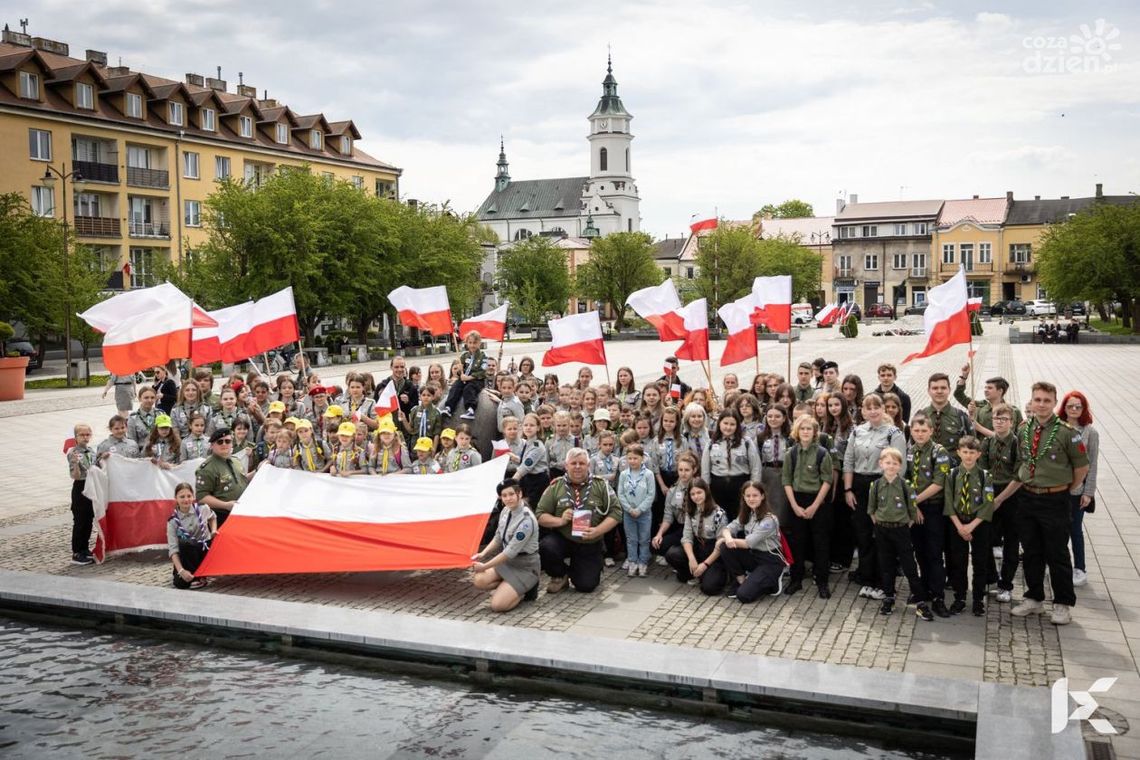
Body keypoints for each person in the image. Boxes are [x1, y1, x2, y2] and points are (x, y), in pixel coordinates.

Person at [1011, 381, 1089, 626]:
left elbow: (1082, 467)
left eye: (1047, 400)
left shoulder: (1067, 432)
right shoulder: (1024, 429)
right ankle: (1034, 598)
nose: (1041, 404)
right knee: (1032, 551)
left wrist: (1065, 487)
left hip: (1055, 499)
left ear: (1055, 403)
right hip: (1027, 497)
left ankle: (1063, 604)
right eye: (1037, 400)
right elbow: (1023, 461)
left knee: (1057, 553)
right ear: (1031, 402)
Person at [843, 394, 906, 600]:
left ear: (883, 409)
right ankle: (867, 578)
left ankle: (884, 583)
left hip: (883, 485)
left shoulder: (893, 433)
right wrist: (848, 489)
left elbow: (901, 466)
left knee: (881, 536)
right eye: (868, 408)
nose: (872, 411)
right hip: (860, 485)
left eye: (876, 407)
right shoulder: (857, 432)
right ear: (862, 411)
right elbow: (849, 461)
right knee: (863, 534)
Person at [535, 448, 622, 594]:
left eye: (581, 463)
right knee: (546, 546)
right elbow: (539, 515)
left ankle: (579, 570)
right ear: (566, 465)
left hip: (590, 542)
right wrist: (560, 521)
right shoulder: (556, 486)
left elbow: (617, 512)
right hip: (564, 538)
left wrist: (598, 531)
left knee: (586, 586)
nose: (577, 467)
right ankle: (560, 575)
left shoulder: (601, 485)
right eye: (573, 463)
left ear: (588, 465)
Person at [868, 448, 934, 621]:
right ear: (880, 464)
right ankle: (889, 598)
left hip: (901, 530)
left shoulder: (906, 485)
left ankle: (920, 602)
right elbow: (872, 510)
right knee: (886, 565)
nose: (891, 466)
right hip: (882, 529)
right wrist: (881, 523)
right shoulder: (875, 486)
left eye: (895, 463)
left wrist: (903, 525)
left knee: (910, 567)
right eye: (887, 463)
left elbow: (912, 512)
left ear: (900, 466)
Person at [782, 415, 834, 598]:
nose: (805, 432)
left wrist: (815, 506)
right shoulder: (791, 453)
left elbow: (827, 480)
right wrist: (794, 505)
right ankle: (796, 579)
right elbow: (786, 480)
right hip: (796, 500)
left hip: (817, 501)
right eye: (802, 429)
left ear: (814, 433)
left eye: (809, 429)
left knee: (820, 542)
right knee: (797, 541)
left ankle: (822, 581)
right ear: (797, 431)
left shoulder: (822, 453)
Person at [943, 436, 995, 616]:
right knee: (959, 562)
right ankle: (960, 597)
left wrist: (971, 527)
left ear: (978, 454)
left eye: (972, 452)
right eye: (965, 452)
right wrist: (960, 527)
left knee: (980, 562)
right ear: (958, 452)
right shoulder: (952, 475)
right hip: (957, 522)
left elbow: (988, 504)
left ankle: (979, 599)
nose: (968, 456)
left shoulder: (985, 476)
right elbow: (948, 502)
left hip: (978, 523)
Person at [906, 413, 951, 617]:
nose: (920, 434)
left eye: (924, 430)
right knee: (919, 552)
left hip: (933, 508)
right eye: (916, 430)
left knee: (934, 553)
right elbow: (907, 480)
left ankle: (938, 596)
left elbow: (938, 483)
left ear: (931, 431)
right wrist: (913, 507)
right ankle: (922, 590)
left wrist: (915, 501)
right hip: (917, 509)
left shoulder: (939, 452)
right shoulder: (910, 450)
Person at [471, 481, 540, 611]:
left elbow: (509, 552)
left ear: (519, 494)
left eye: (511, 494)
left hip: (525, 566)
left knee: (498, 606)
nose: (508, 499)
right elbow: (498, 537)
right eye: (504, 495)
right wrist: (483, 553)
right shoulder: (505, 511)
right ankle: (509, 587)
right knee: (479, 580)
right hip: (508, 563)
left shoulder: (526, 520)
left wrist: (485, 566)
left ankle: (525, 589)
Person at [720, 481, 787, 601]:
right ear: (743, 497)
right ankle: (742, 580)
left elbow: (747, 543)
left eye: (755, 495)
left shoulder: (769, 520)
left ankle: (773, 582)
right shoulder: (747, 514)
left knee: (744, 595)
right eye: (748, 495)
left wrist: (727, 540)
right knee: (725, 547)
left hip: (770, 561)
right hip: (754, 556)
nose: (751, 499)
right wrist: (728, 538)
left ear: (762, 496)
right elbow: (726, 529)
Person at [984, 404, 1023, 604]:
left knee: (1011, 542)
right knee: (986, 538)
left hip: (1011, 495)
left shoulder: (1016, 444)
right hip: (991, 493)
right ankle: (990, 577)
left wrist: (1001, 499)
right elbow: (981, 470)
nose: (1000, 422)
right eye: (997, 419)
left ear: (1012, 422)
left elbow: (1019, 475)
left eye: (1004, 419)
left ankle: (1005, 584)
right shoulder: (987, 442)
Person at [1059, 391, 1098, 588]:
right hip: (1056, 488)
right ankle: (1058, 565)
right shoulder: (1055, 428)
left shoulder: (1090, 432)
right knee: (1057, 530)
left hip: (1077, 491)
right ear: (1064, 407)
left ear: (1083, 409)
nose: (1074, 410)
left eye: (1078, 406)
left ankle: (1079, 568)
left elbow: (1092, 464)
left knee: (1075, 530)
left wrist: (1088, 492)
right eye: (1070, 406)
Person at [665, 477, 727, 595]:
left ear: (706, 491)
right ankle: (692, 575)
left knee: (709, 588)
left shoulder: (719, 514)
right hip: (698, 546)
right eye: (692, 494)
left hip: (713, 552)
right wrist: (691, 558)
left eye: (699, 492)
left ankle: (710, 574)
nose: (696, 496)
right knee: (672, 554)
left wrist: (705, 565)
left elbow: (720, 546)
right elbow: (687, 537)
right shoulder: (691, 511)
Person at [702, 410, 759, 516]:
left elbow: (755, 467)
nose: (728, 427)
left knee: (740, 515)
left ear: (737, 426)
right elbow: (705, 469)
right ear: (719, 423)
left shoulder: (746, 442)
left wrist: (754, 487)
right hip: (718, 486)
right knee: (719, 516)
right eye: (725, 423)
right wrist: (706, 489)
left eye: (732, 424)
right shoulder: (711, 443)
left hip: (740, 484)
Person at [195, 427, 249, 527]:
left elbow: (244, 480)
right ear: (212, 446)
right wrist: (226, 505)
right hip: (220, 517)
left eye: (227, 441)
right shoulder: (207, 468)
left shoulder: (236, 461)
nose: (224, 444)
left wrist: (258, 470)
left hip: (240, 513)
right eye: (220, 442)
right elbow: (201, 497)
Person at [168, 482, 216, 590]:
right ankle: (191, 575)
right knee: (180, 584)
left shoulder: (203, 508)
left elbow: (213, 517)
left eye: (189, 496)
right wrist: (181, 570)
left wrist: (213, 530)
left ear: (193, 497)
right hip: (187, 555)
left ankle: (199, 577)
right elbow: (173, 549)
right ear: (176, 498)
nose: (186, 499)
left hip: (204, 550)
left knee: (187, 543)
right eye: (182, 496)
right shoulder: (173, 521)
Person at [618, 442, 656, 577]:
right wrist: (628, 508)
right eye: (630, 458)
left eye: (635, 458)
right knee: (631, 539)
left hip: (644, 513)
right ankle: (633, 561)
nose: (632, 461)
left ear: (642, 458)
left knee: (644, 538)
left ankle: (643, 561)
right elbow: (620, 494)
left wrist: (640, 509)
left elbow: (651, 494)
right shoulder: (623, 475)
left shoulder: (648, 474)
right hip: (628, 513)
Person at [652, 451, 696, 566]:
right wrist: (659, 534)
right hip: (681, 527)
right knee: (656, 545)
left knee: (675, 553)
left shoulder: (699, 489)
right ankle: (680, 553)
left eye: (687, 470)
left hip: (696, 530)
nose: (683, 474)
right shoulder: (673, 491)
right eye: (680, 470)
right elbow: (668, 517)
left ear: (694, 471)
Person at [954, 366, 1022, 437]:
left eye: (990, 388)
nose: (985, 390)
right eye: (985, 388)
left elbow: (1007, 437)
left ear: (1000, 391)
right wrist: (964, 377)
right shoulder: (979, 406)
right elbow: (958, 394)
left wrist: (977, 426)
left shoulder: (1013, 411)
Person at [920, 373, 973, 464]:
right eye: (935, 388)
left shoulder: (961, 417)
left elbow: (972, 447)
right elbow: (913, 448)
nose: (939, 391)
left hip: (953, 471)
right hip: (926, 471)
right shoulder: (921, 416)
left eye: (943, 388)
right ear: (928, 391)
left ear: (949, 390)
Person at [65, 423, 96, 565]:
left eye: (87, 434)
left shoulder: (91, 451)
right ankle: (77, 552)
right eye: (82, 435)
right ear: (76, 437)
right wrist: (76, 464)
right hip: (81, 486)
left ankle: (85, 548)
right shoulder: (73, 453)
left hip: (91, 486)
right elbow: (75, 476)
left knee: (88, 519)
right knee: (80, 521)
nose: (85, 437)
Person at [443, 332, 488, 420]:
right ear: (467, 343)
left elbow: (483, 372)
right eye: (470, 343)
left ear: (479, 343)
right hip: (464, 378)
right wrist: (460, 371)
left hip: (476, 380)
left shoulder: (483, 356)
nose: (472, 345)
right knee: (455, 386)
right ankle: (449, 408)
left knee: (469, 389)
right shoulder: (464, 356)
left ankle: (470, 409)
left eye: (475, 343)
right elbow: (459, 372)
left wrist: (470, 377)